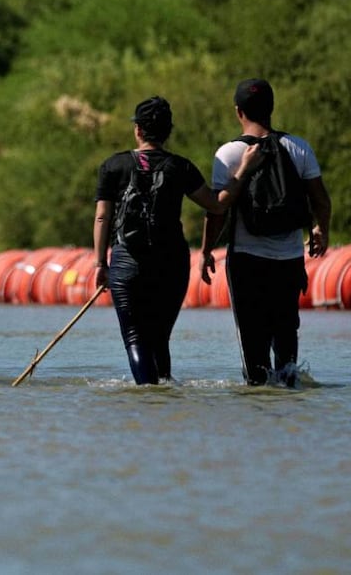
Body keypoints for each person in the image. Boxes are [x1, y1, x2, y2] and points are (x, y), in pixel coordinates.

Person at [94, 96, 260, 385]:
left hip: (127, 262)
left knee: (135, 337)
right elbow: (217, 204)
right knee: (159, 337)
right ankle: (164, 398)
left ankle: (147, 394)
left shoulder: (113, 166)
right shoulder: (180, 167)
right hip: (171, 263)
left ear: (137, 130)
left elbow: (102, 218)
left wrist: (100, 264)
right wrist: (243, 169)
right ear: (168, 131)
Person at [200, 78, 331, 386]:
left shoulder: (230, 153)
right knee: (286, 337)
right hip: (288, 259)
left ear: (238, 111)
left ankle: (259, 405)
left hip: (248, 260)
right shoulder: (298, 148)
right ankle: (288, 396)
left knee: (253, 344)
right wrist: (320, 230)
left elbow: (218, 211)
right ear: (271, 108)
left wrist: (206, 251)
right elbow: (321, 200)